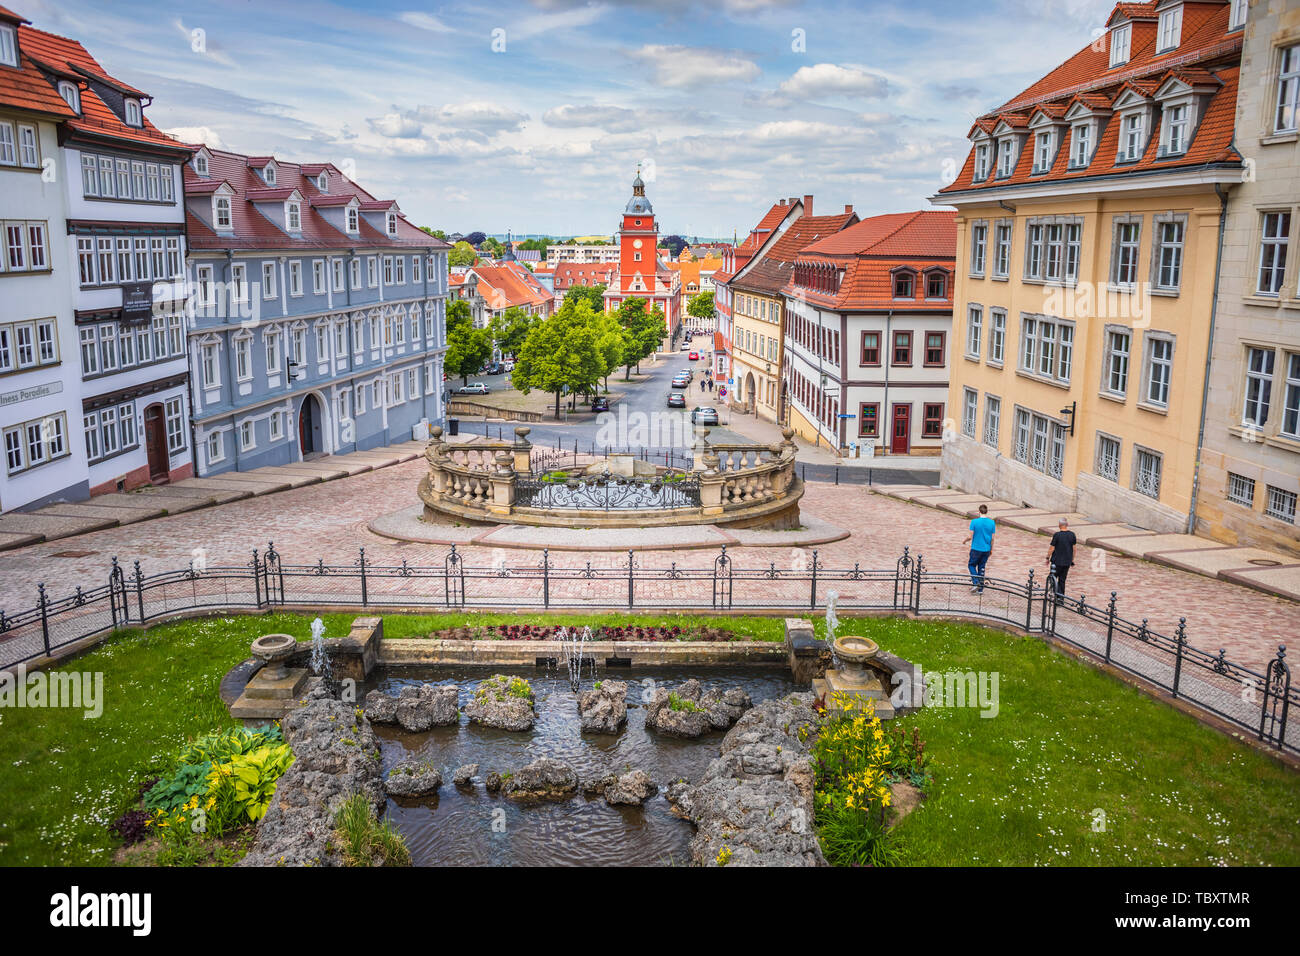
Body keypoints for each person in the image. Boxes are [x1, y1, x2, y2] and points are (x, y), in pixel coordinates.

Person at [962, 504, 996, 594]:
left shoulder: (974, 522)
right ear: (987, 511)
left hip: (976, 549)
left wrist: (964, 541)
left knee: (971, 565)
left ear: (979, 512)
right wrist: (991, 549)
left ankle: (976, 583)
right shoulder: (992, 523)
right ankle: (980, 589)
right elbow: (992, 538)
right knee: (982, 567)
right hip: (986, 549)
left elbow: (970, 536)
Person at [1047, 518, 1077, 604]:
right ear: (1067, 525)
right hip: (1067, 562)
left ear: (1059, 525)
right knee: (1062, 580)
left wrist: (1047, 557)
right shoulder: (1072, 535)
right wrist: (1072, 559)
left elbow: (1052, 548)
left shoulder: (1057, 535)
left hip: (1056, 562)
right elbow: (1074, 549)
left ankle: (1056, 595)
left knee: (1052, 578)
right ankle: (1060, 598)